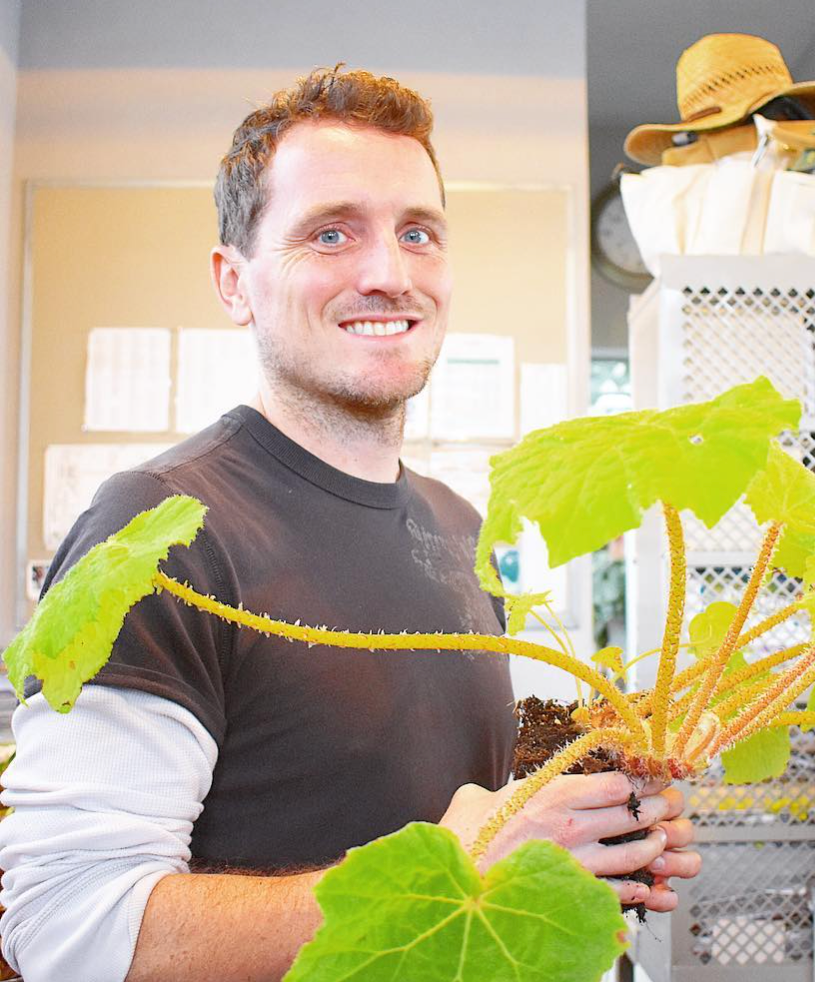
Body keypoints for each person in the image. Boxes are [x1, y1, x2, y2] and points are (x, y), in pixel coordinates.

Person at [0, 67, 699, 982]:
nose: (388, 273)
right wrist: (453, 867)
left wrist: (583, 837)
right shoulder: (161, 531)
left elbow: (470, 823)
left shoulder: (459, 523)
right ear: (234, 281)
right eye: (331, 233)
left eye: (419, 233)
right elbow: (66, 928)